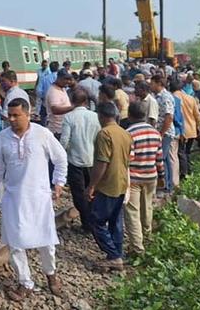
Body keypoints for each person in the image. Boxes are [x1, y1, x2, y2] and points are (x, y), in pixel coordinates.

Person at [0, 98, 67, 299]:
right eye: (9, 115)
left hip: (39, 197)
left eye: (16, 115)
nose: (12, 119)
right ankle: (25, 282)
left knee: (46, 241)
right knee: (15, 243)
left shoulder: (42, 134)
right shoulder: (3, 138)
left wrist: (58, 182)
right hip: (13, 198)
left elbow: (61, 158)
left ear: (28, 114)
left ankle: (51, 275)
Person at [85, 102, 132, 271]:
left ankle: (113, 255)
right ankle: (117, 253)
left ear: (101, 116)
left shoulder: (104, 134)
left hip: (108, 185)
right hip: (121, 183)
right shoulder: (125, 134)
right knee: (115, 221)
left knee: (96, 221)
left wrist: (92, 185)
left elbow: (101, 163)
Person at [124, 102, 164, 254]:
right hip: (151, 176)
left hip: (134, 177)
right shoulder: (155, 133)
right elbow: (159, 159)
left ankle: (137, 247)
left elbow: (129, 158)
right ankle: (147, 237)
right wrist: (162, 176)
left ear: (129, 115)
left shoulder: (129, 133)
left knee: (132, 211)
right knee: (147, 207)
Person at [60, 88, 101, 232]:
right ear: (86, 102)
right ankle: (95, 222)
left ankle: (87, 224)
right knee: (93, 192)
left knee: (79, 195)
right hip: (94, 162)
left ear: (72, 101)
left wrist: (61, 157)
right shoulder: (96, 117)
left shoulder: (69, 117)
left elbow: (64, 141)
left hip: (75, 162)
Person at [150, 75, 177, 193]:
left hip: (165, 133)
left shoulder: (165, 97)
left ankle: (167, 186)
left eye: (152, 83)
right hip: (161, 132)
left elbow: (169, 117)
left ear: (159, 83)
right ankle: (166, 185)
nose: (151, 86)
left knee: (162, 159)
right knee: (163, 160)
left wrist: (161, 133)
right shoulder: (157, 96)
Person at [171, 79, 200, 178]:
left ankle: (183, 173)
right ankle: (189, 170)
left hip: (180, 130)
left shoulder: (172, 98)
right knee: (186, 152)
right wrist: (197, 126)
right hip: (192, 130)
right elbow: (197, 115)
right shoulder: (191, 98)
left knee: (180, 152)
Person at [46, 69, 74, 139]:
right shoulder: (53, 91)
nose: (68, 81)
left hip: (63, 128)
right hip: (57, 130)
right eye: (66, 79)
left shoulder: (62, 88)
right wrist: (73, 107)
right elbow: (55, 110)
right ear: (59, 78)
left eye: (69, 79)